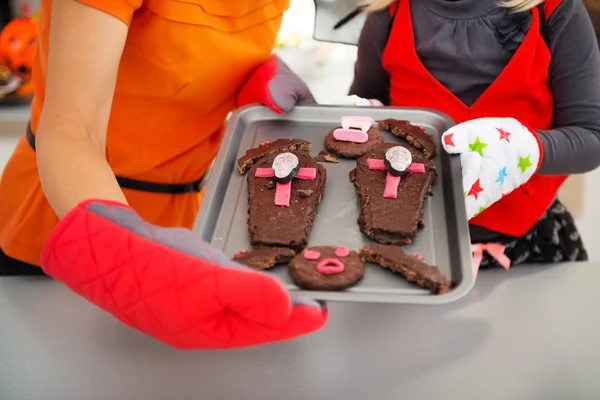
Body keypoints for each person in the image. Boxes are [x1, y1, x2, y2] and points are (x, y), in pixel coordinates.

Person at [0, 0, 326, 349]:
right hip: (63, 219)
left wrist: (255, 77)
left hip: (188, 223)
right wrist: (120, 254)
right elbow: (71, 132)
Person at [347, 0, 600, 268]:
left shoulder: (556, 9)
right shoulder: (388, 12)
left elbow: (591, 138)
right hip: (404, 245)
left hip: (529, 246)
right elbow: (364, 111)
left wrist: (525, 148)